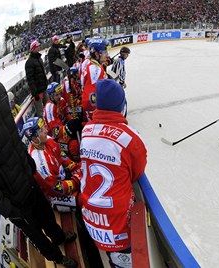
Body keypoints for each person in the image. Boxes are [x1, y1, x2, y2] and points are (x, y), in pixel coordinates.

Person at [0, 60, 78, 268]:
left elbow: (12, 133)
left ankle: (59, 236)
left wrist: (29, 163)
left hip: (26, 176)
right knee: (36, 234)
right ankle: (57, 258)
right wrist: (6, 207)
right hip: (12, 196)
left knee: (46, 215)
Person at [79, 79, 147, 268]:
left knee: (112, 257)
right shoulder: (130, 137)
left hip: (92, 218)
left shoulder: (86, 130)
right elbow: (137, 172)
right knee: (125, 261)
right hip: (118, 222)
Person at [23, 117, 81, 212]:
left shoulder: (47, 140)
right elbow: (56, 189)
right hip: (54, 196)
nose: (46, 131)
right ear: (34, 138)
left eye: (44, 127)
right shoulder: (39, 162)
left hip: (63, 177)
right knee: (82, 199)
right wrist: (76, 182)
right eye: (41, 130)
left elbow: (60, 155)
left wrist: (73, 166)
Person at [81, 38, 109, 121]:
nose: (107, 55)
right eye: (104, 52)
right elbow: (91, 98)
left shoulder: (95, 65)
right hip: (95, 113)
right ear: (97, 54)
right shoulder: (95, 70)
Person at [25, 39, 49, 118]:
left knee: (48, 107)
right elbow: (30, 79)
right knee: (41, 113)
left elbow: (42, 73)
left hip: (44, 88)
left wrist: (46, 83)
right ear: (33, 49)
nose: (39, 47)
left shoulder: (39, 58)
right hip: (38, 92)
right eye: (37, 46)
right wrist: (35, 93)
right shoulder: (29, 62)